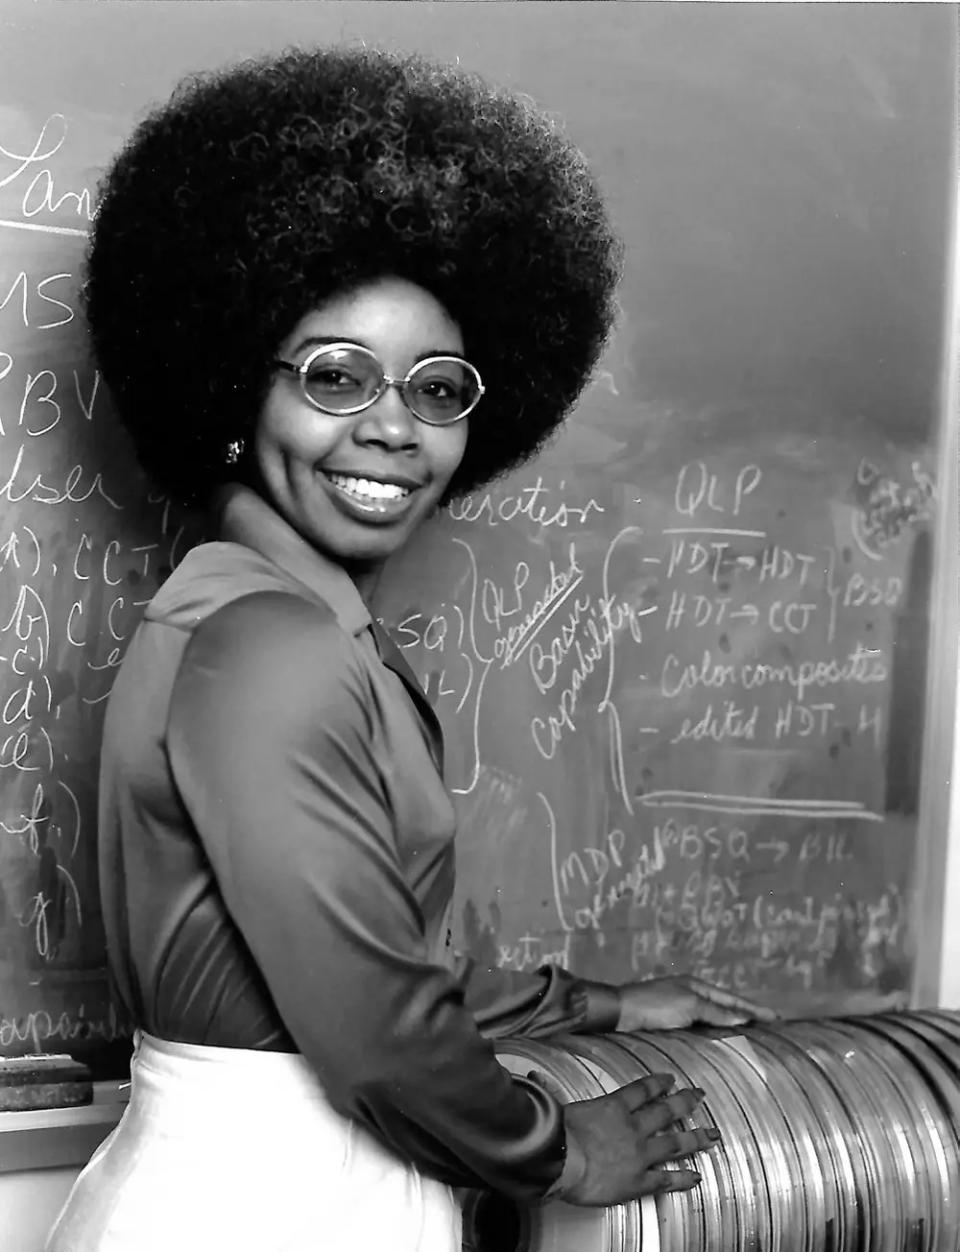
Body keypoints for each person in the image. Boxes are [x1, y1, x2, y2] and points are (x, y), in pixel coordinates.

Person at [46, 47, 772, 1252]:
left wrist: (598, 1003)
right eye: (337, 376)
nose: (391, 427)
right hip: (266, 1206)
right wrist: (561, 1148)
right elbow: (376, 1031)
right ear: (233, 390)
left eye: (439, 388)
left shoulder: (282, 621)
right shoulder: (267, 645)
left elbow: (364, 950)